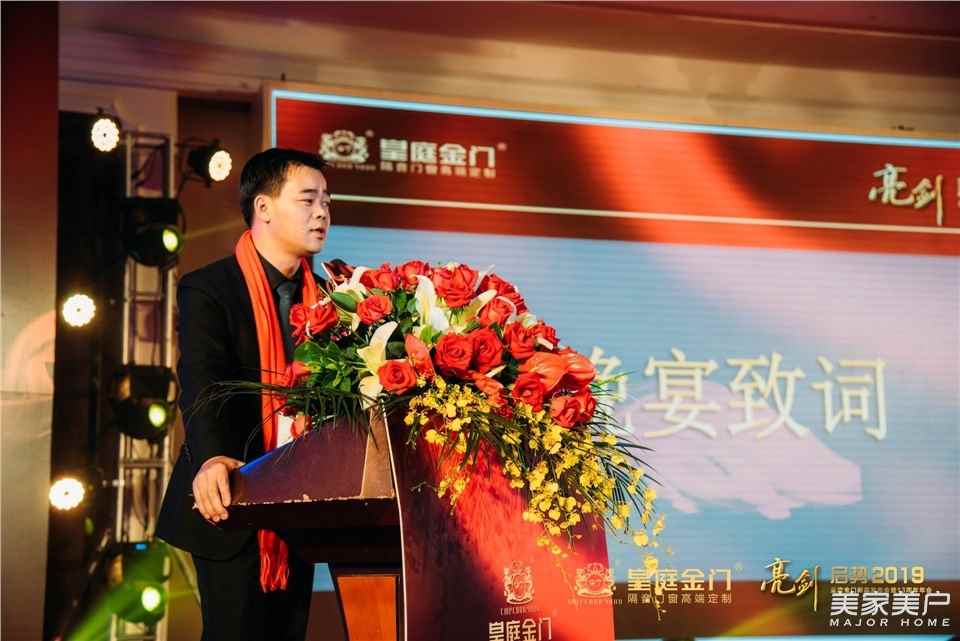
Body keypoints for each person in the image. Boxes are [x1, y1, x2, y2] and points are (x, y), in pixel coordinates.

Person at [157, 148, 332, 641]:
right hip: (232, 498)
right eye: (308, 200)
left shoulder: (332, 298)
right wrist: (213, 457)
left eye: (326, 201)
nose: (322, 212)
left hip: (301, 504)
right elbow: (202, 382)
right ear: (264, 206)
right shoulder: (209, 288)